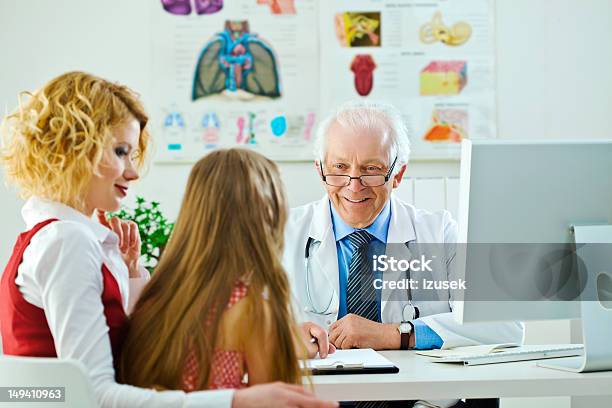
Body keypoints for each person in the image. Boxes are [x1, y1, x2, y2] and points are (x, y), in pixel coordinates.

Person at [0, 71, 336, 408]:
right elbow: (94, 393)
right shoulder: (67, 241)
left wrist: (131, 273)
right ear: (73, 148)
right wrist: (236, 401)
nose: (133, 171)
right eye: (120, 151)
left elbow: (120, 348)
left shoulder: (46, 235)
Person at [282, 101, 524, 408]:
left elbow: (504, 326)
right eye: (340, 168)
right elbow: (235, 335)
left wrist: (398, 335)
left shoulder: (439, 232)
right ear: (320, 170)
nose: (354, 187)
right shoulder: (282, 234)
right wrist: (283, 338)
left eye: (372, 169)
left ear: (398, 174)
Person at [120, 148, 327, 393]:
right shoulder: (252, 309)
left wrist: (283, 340)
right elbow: (274, 400)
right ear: (270, 219)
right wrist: (276, 339)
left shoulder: (159, 294)